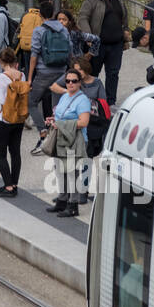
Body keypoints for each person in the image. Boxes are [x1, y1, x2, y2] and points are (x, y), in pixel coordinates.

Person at [49, 54, 106, 203]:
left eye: (80, 70)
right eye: (75, 70)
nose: (77, 74)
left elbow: (103, 104)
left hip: (91, 124)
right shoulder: (72, 80)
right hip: (73, 127)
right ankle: (67, 195)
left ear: (86, 69)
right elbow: (54, 86)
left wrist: (85, 102)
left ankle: (83, 191)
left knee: (86, 160)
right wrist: (66, 92)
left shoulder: (97, 83)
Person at [77, 0, 130, 105]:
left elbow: (125, 18)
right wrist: (89, 37)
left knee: (113, 74)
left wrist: (126, 33)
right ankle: (91, 101)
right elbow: (82, 18)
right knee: (93, 73)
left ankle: (110, 103)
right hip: (98, 45)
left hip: (116, 45)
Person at [46, 69, 91, 217]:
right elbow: (60, 114)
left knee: (72, 173)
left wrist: (62, 125)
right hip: (62, 138)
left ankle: (73, 206)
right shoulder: (65, 96)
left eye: (74, 81)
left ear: (80, 83)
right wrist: (53, 120)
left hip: (76, 140)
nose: (70, 83)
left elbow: (84, 122)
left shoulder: (83, 100)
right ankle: (62, 200)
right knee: (61, 171)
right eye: (68, 81)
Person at [28, 0, 73, 146]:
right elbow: (70, 50)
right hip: (61, 72)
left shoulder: (39, 31)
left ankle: (43, 131)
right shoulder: (63, 30)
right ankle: (60, 137)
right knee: (57, 107)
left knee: (31, 102)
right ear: (53, 14)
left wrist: (29, 78)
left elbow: (34, 55)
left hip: (44, 73)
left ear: (40, 15)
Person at [0, 47, 29, 198]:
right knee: (15, 152)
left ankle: (7, 186)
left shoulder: (0, 77)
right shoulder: (22, 75)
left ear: (1, 61)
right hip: (18, 118)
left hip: (3, 117)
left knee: (1, 153)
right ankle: (14, 183)